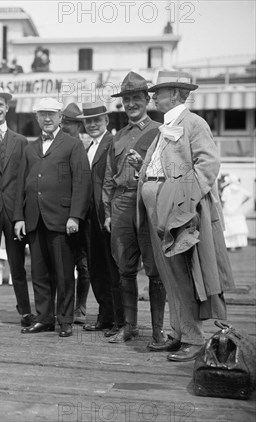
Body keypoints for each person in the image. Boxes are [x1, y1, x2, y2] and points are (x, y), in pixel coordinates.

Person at [131, 70, 234, 361]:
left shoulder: (193, 123)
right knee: (169, 275)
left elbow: (208, 165)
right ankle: (177, 333)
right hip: (158, 211)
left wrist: (180, 199)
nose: (153, 96)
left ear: (175, 94)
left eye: (159, 91)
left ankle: (193, 337)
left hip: (178, 213)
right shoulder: (168, 126)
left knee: (184, 274)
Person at [14, 98, 92, 337]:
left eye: (51, 114)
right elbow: (21, 186)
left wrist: (75, 216)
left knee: (64, 272)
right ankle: (44, 318)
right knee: (39, 272)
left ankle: (66, 319)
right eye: (42, 114)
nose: (47, 119)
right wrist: (19, 218)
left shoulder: (72, 145)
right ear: (36, 118)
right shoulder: (30, 148)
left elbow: (82, 182)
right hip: (35, 219)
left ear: (60, 118)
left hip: (61, 219)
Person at [102, 72, 167, 347]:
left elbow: (169, 172)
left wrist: (145, 168)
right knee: (124, 268)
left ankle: (157, 332)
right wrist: (107, 212)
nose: (131, 104)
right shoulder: (118, 137)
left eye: (136, 98)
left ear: (146, 99)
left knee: (155, 269)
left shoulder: (160, 132)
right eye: (127, 99)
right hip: (121, 205)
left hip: (148, 203)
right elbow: (108, 177)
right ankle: (129, 327)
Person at [0, 87, 33, 331]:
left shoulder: (21, 141)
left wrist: (22, 213)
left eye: (0, 105)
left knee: (18, 265)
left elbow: (26, 179)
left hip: (14, 211)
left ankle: (25, 311)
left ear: (7, 108)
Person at [76, 101, 124, 338]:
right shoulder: (88, 147)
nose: (93, 124)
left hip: (106, 215)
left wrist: (111, 213)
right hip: (89, 217)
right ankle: (105, 315)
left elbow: (115, 180)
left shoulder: (112, 144)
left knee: (111, 268)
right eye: (89, 121)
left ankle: (118, 318)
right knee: (95, 268)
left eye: (97, 120)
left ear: (107, 121)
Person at [59, 102, 91, 325]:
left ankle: (80, 306)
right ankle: (63, 307)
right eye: (66, 122)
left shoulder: (90, 144)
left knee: (85, 265)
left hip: (86, 214)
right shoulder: (57, 144)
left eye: (71, 123)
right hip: (62, 212)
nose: (66, 127)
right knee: (62, 264)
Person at [220, 174, 251, 251]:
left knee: (229, 228)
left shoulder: (226, 189)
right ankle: (238, 244)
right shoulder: (240, 189)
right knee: (238, 227)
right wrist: (241, 202)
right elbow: (249, 195)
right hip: (237, 212)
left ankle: (230, 245)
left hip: (228, 211)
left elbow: (223, 201)